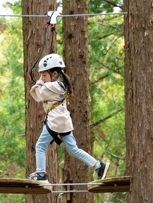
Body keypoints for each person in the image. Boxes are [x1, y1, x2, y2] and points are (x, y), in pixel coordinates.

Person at [27, 53, 110, 181]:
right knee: (73, 150)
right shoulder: (58, 86)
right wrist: (42, 79)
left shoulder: (51, 87)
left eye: (44, 75)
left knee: (40, 146)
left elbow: (37, 93)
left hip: (55, 122)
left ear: (54, 74)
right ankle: (99, 166)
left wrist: (39, 81)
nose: (42, 78)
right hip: (63, 122)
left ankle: (41, 174)